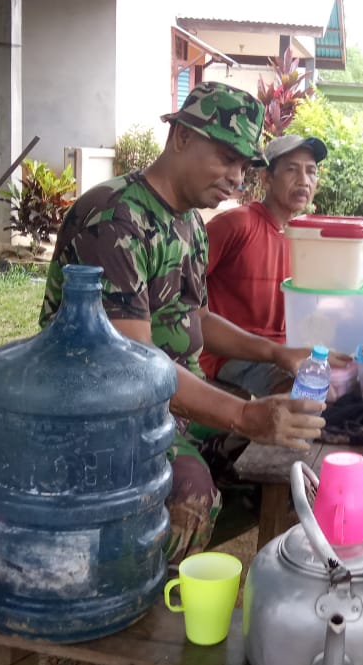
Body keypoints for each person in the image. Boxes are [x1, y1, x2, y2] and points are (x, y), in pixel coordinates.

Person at [39, 82, 327, 562]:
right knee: (192, 497)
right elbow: (133, 366)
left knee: (285, 461)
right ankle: (125, 583)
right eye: (226, 158)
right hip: (102, 413)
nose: (236, 177)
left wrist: (277, 353)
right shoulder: (114, 217)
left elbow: (196, 317)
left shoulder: (190, 222)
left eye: (244, 166)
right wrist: (243, 414)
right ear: (181, 138)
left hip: (174, 403)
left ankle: (166, 558)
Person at [199, 133, 331, 398]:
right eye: (291, 170)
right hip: (232, 356)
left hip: (286, 350)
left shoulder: (305, 238)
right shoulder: (236, 225)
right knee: (303, 393)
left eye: (311, 171)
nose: (303, 181)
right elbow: (180, 297)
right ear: (266, 178)